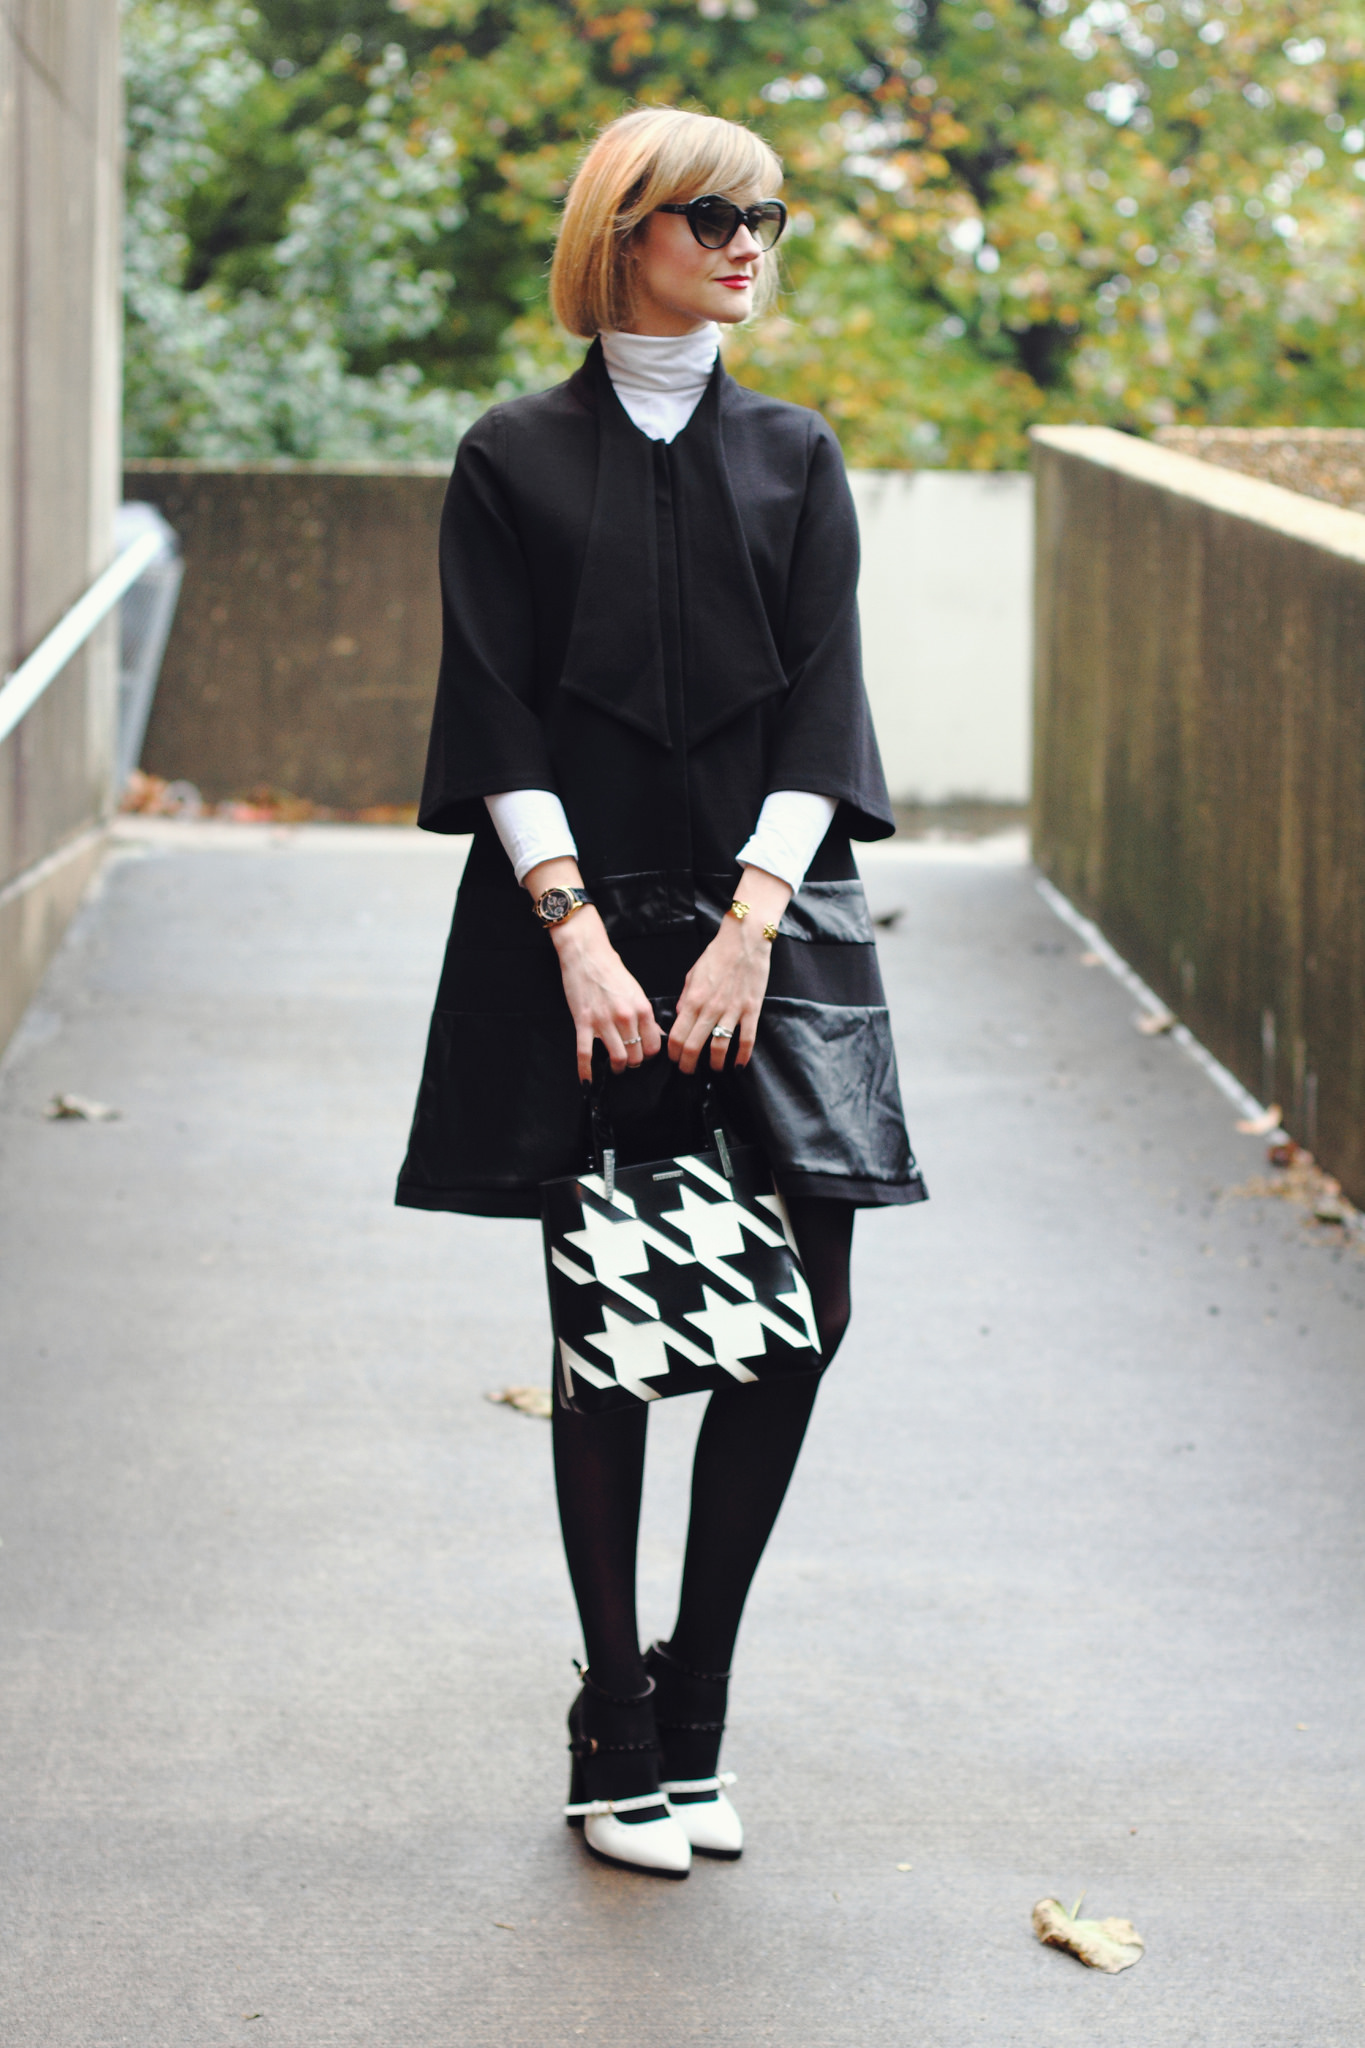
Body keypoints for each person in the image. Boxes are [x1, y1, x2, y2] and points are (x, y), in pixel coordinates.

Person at [397, 105, 926, 1879]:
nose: (747, 243)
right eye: (711, 215)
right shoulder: (510, 459)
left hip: (775, 932)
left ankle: (697, 1698)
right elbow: (494, 712)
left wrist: (752, 922)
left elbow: (823, 710)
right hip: (588, 939)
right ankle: (615, 1723)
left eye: (767, 217)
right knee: (611, 1328)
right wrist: (573, 932)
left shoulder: (796, 453)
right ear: (622, 229)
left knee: (808, 1308)